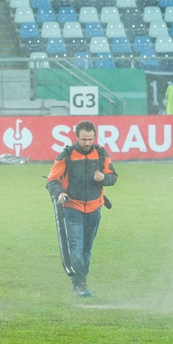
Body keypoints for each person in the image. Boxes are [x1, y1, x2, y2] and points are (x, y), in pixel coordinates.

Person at [46, 120, 117, 298]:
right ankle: (80, 284)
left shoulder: (101, 154)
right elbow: (52, 180)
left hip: (94, 209)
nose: (87, 143)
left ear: (94, 137)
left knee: (87, 248)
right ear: (77, 137)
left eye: (90, 139)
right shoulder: (67, 155)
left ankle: (79, 280)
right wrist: (60, 194)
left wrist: (103, 179)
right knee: (76, 246)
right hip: (72, 209)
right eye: (84, 139)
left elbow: (113, 177)